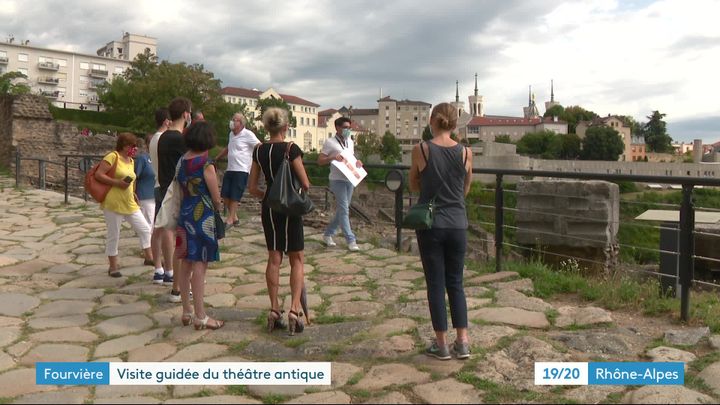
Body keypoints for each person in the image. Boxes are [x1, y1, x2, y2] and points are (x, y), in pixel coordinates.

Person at [409, 102, 473, 361]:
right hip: (458, 222)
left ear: (433, 120)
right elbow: (466, 187)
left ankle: (441, 344)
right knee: (456, 283)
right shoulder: (466, 152)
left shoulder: (421, 149)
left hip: (432, 224)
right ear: (455, 122)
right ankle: (463, 342)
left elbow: (413, 184)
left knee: (435, 284)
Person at [248, 107, 311, 336]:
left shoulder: (259, 150)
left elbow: (253, 187)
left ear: (266, 127)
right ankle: (294, 310)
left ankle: (274, 309)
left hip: (270, 209)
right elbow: (305, 182)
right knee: (297, 258)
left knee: (274, 257)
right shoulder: (291, 149)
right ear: (285, 127)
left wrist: (269, 197)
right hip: (290, 208)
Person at [176, 121, 224, 330]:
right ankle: (201, 316)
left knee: (185, 263)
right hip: (202, 216)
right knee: (200, 266)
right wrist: (219, 207)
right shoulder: (206, 163)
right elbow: (216, 197)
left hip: (185, 214)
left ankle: (186, 311)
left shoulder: (183, 160)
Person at [94, 132, 153, 277]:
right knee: (114, 234)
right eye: (130, 146)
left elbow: (132, 179)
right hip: (113, 202)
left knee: (145, 228)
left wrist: (133, 192)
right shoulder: (113, 157)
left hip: (129, 202)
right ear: (123, 145)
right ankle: (113, 266)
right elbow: (99, 174)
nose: (133, 149)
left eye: (134, 146)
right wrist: (116, 183)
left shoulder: (131, 161)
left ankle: (149, 257)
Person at [156, 97, 192, 302]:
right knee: (184, 244)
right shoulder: (180, 139)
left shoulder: (163, 137)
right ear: (186, 114)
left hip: (165, 188)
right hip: (178, 193)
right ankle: (180, 287)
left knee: (178, 241)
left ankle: (178, 286)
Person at [318, 117, 362, 251]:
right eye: (345, 127)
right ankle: (351, 240)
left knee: (343, 209)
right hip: (337, 180)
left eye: (349, 127)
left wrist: (358, 163)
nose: (348, 130)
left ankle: (328, 234)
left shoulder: (350, 141)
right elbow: (320, 161)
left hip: (350, 178)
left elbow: (351, 158)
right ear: (337, 128)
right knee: (344, 210)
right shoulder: (330, 142)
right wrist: (333, 158)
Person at [216, 112, 260, 227]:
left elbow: (259, 146)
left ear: (241, 123)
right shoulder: (231, 134)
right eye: (233, 119)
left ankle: (230, 220)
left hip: (242, 169)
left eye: (235, 120)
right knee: (225, 194)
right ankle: (234, 217)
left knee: (235, 195)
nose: (232, 121)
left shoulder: (248, 134)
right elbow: (228, 148)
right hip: (230, 168)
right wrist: (217, 158)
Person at [149, 107, 171, 284]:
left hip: (157, 184)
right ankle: (169, 270)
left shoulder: (153, 139)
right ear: (166, 121)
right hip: (165, 186)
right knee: (166, 229)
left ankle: (158, 268)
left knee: (158, 229)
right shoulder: (164, 139)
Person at [133, 136, 156, 266]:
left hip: (155, 195)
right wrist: (133, 193)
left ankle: (151, 251)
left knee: (153, 225)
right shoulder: (143, 158)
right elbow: (134, 176)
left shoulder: (157, 158)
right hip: (145, 195)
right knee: (147, 225)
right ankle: (148, 254)